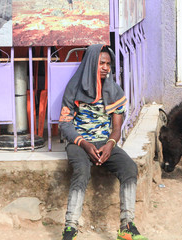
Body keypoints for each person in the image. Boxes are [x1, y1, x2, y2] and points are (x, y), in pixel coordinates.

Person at [58, 44, 147, 240]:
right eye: (101, 63)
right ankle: (70, 228)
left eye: (108, 64)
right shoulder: (74, 89)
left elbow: (116, 129)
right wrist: (84, 144)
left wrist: (110, 145)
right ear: (91, 64)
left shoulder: (114, 91)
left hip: (104, 143)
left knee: (129, 168)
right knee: (81, 170)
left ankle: (127, 226)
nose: (105, 67)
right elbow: (64, 123)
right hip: (79, 143)